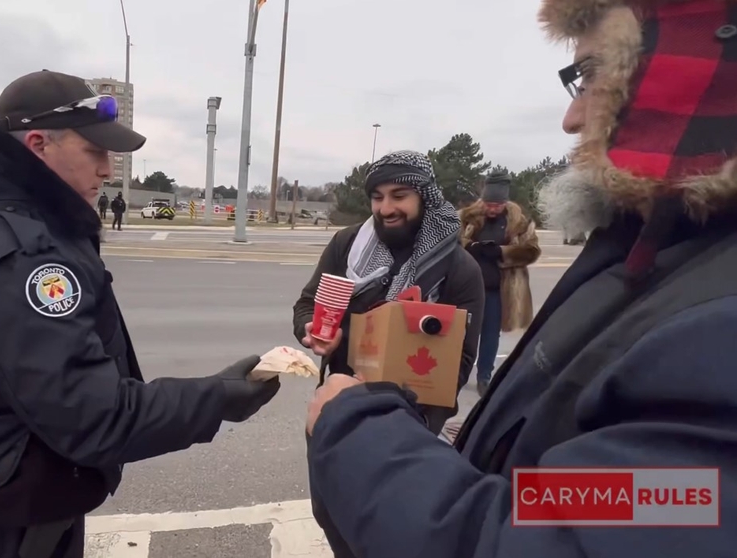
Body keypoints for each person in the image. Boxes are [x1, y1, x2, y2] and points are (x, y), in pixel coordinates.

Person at [304, 1, 737, 556]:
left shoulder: (717, 322)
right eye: (377, 197)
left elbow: (571, 532)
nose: (571, 119)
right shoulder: (645, 253)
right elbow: (574, 492)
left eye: (588, 76)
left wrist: (365, 428)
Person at [0, 70, 280, 558]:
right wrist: (215, 399)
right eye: (95, 152)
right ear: (40, 144)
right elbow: (90, 416)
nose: (107, 170)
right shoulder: (23, 255)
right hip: (12, 505)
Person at [293, 150, 484, 558]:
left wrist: (418, 418)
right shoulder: (348, 246)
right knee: (330, 513)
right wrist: (313, 331)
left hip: (408, 421)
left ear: (425, 197)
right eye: (377, 197)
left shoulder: (458, 268)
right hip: (336, 406)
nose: (386, 208)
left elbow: (460, 362)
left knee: (388, 529)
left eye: (399, 195)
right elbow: (309, 304)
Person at [459, 171, 540, 396]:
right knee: (462, 333)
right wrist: (471, 247)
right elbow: (451, 242)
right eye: (488, 204)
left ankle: (484, 376)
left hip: (499, 290)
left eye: (497, 205)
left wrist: (501, 252)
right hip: (468, 288)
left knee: (490, 334)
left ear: (505, 203)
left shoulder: (520, 222)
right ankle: (457, 373)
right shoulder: (467, 217)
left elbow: (532, 251)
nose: (492, 209)